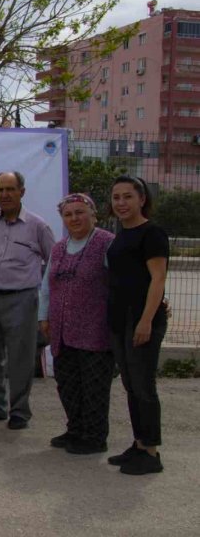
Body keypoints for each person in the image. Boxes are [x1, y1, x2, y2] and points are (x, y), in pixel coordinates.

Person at [0, 171, 54, 430]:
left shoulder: (38, 226)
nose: (5, 195)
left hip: (23, 298)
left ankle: (19, 411)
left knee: (20, 357)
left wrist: (46, 306)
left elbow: (53, 262)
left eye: (10, 189)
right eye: (0, 190)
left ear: (22, 192)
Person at [38, 194, 116, 454]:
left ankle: (94, 438)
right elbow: (47, 287)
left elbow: (120, 283)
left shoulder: (106, 243)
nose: (74, 218)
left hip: (94, 329)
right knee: (68, 383)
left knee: (93, 386)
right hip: (62, 329)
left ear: (93, 215)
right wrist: (44, 317)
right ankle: (75, 429)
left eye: (80, 212)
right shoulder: (59, 248)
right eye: (68, 214)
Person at [106, 176, 169, 475]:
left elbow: (158, 279)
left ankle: (152, 452)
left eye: (127, 196)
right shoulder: (120, 233)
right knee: (131, 384)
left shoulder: (152, 233)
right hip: (120, 318)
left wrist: (146, 321)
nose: (121, 203)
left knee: (144, 385)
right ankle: (139, 443)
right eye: (116, 197)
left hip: (141, 319)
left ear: (142, 199)